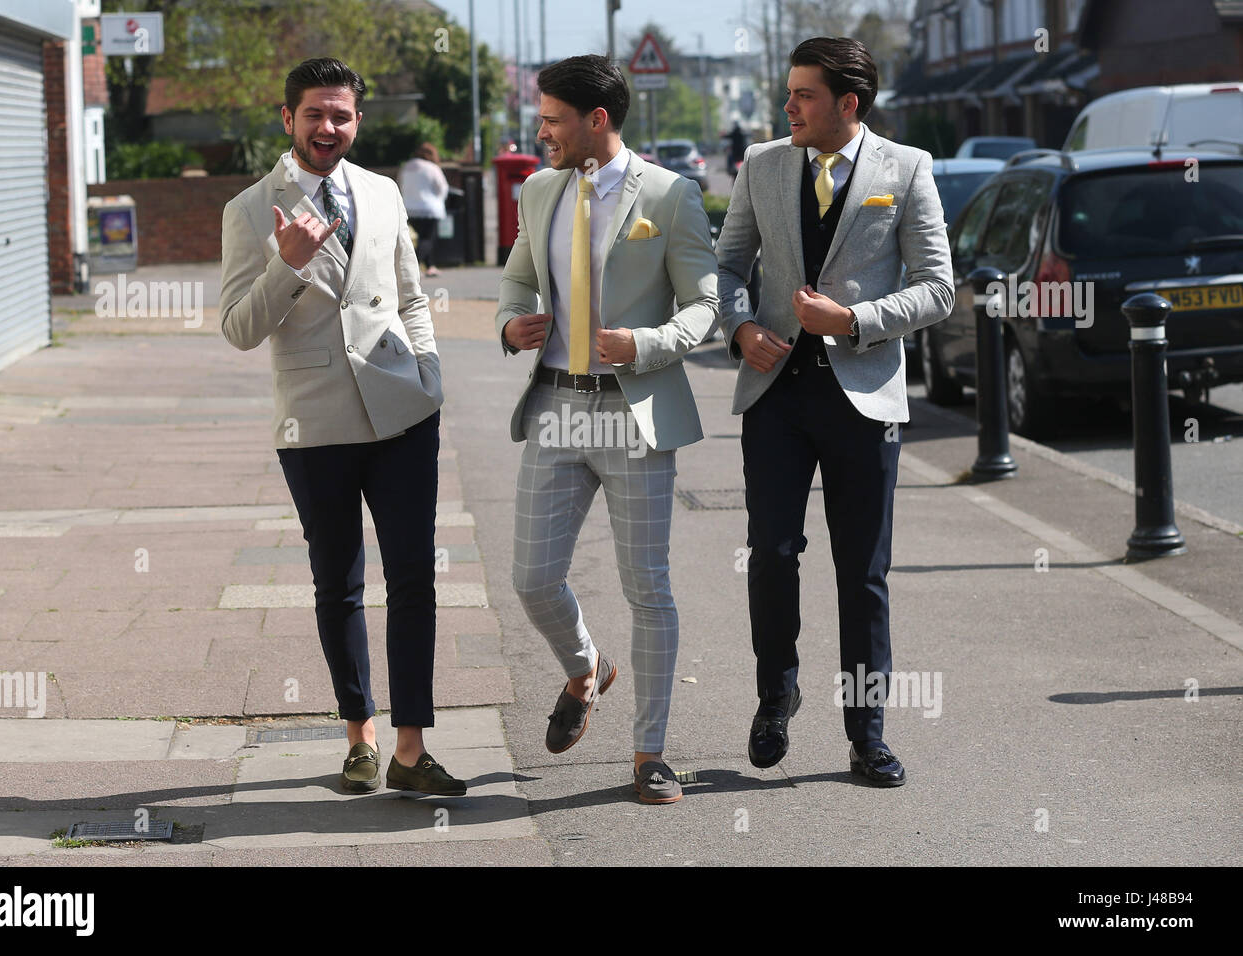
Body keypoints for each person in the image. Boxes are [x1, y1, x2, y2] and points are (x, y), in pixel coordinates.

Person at [219, 56, 465, 798]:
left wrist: (428, 373)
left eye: (343, 115)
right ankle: (359, 737)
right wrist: (285, 266)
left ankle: (412, 751)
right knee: (340, 585)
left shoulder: (384, 193)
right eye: (315, 115)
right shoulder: (250, 207)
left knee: (415, 580)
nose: (329, 128)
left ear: (358, 120)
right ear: (287, 118)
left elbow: (411, 296)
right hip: (315, 423)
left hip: (403, 417)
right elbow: (237, 328)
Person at [715, 37, 953, 786]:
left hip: (864, 397)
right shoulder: (763, 163)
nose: (788, 107)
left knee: (864, 574)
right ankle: (775, 695)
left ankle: (868, 735)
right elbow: (724, 266)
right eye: (788, 93)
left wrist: (853, 321)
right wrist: (740, 327)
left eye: (804, 96)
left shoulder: (907, 169)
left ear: (848, 104)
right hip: (777, 393)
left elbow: (938, 288)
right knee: (774, 554)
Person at [495, 54, 718, 805]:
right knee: (531, 578)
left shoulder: (671, 194)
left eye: (552, 118)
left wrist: (645, 344)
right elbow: (518, 276)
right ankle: (586, 667)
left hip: (634, 411)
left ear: (597, 120)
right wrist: (509, 322)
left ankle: (650, 752)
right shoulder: (539, 189)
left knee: (646, 586)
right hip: (556, 404)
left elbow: (706, 305)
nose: (541, 129)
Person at [399, 142, 450, 277]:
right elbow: (442, 188)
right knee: (427, 238)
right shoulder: (432, 168)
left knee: (421, 238)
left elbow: (400, 184)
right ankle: (413, 268)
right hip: (430, 208)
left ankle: (430, 266)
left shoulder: (407, 167)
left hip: (410, 208)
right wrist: (439, 200)